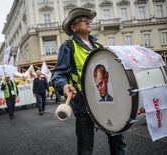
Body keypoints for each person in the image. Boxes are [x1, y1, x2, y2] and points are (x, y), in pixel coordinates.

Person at [51, 7, 126, 155]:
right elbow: (58, 73)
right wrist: (64, 84)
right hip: (83, 104)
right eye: (83, 20)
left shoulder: (99, 47)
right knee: (86, 148)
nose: (88, 22)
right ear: (73, 28)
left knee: (118, 142)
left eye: (88, 20)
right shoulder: (68, 46)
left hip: (106, 102)